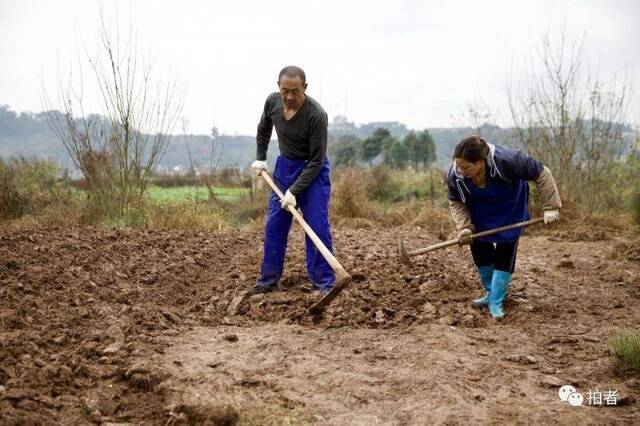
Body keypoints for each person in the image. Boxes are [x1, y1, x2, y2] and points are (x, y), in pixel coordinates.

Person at [446, 135, 562, 320]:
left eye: (465, 167)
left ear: (480, 162)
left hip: (510, 208)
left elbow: (542, 173)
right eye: (458, 165)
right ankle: (492, 293)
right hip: (480, 212)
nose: (460, 170)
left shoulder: (509, 160)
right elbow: (456, 202)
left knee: (505, 250)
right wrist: (465, 227)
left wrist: (551, 205)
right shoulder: (456, 175)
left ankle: (496, 301)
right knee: (479, 247)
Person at [249, 65, 335, 295]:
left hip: (312, 170)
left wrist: (294, 190)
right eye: (284, 90)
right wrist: (261, 158)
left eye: (295, 91)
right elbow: (263, 128)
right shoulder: (272, 102)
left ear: (304, 88)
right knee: (274, 226)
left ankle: (325, 284)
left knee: (316, 227)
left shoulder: (316, 115)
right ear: (278, 86)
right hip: (285, 168)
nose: (289, 96)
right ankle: (268, 280)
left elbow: (317, 161)